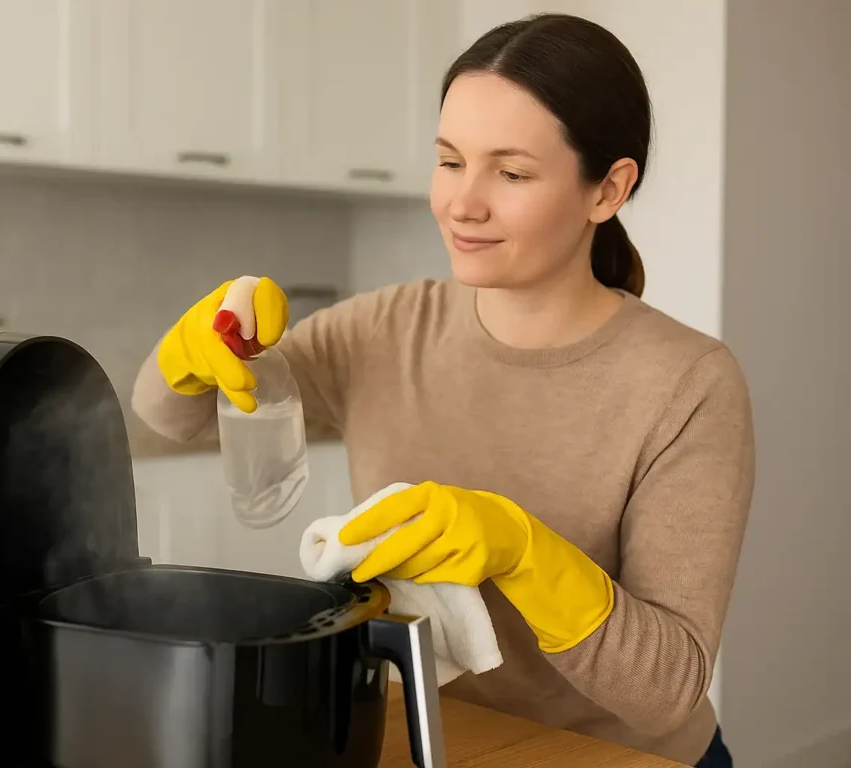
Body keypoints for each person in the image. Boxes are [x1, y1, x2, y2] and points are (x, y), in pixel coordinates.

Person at [131, 12, 752, 768]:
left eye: (512, 172)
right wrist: (199, 347)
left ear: (608, 189)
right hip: (426, 740)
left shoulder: (688, 383)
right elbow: (172, 420)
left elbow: (668, 686)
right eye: (450, 160)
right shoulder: (387, 329)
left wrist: (523, 552)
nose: (463, 203)